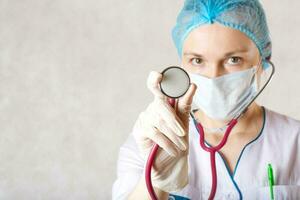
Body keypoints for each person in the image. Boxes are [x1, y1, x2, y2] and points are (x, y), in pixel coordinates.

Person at [112, 0, 300, 199]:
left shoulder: (295, 142)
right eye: (197, 60)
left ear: (263, 59)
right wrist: (157, 183)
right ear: (182, 63)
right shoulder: (149, 143)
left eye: (233, 59)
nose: (214, 76)